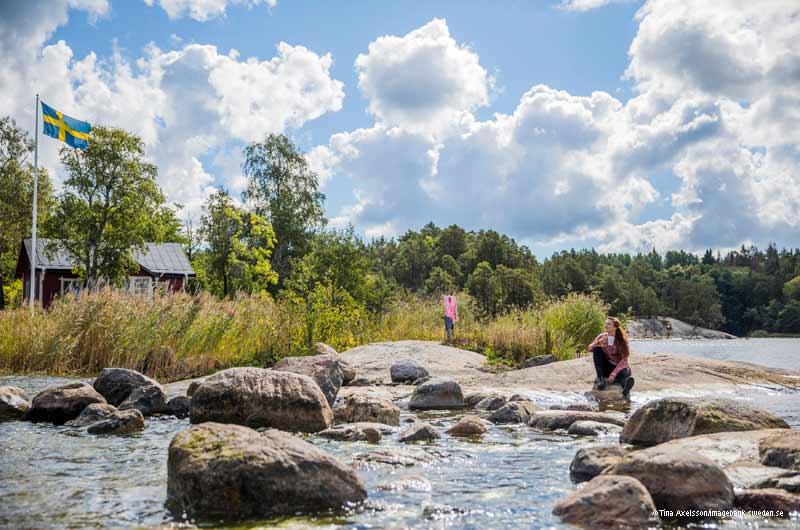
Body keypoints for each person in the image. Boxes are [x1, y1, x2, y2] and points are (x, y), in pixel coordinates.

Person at [587, 317, 635, 397]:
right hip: (606, 367)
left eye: (609, 324)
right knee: (597, 349)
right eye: (605, 323)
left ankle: (625, 387)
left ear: (615, 327)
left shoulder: (621, 339)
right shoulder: (602, 336)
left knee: (625, 372)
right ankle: (600, 379)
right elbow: (589, 348)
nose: (606, 325)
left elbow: (624, 359)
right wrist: (598, 342)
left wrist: (613, 374)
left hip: (618, 368)